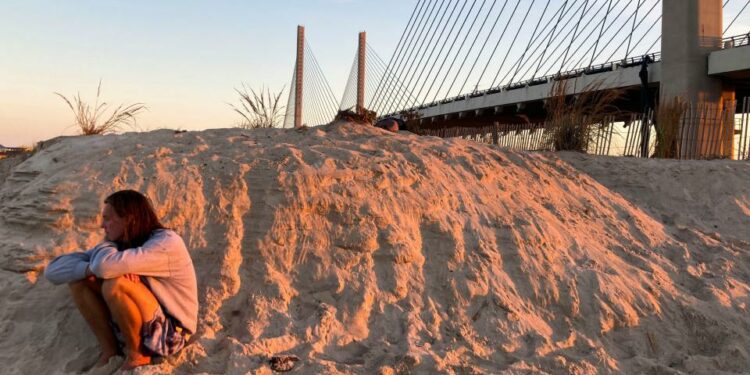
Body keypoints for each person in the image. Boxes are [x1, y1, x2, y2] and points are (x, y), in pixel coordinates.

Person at [44, 190, 198, 371]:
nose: (102, 225)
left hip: (170, 336)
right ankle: (110, 352)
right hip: (134, 325)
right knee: (80, 283)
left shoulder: (166, 243)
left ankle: (138, 354)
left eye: (108, 218)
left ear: (129, 219)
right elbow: (53, 271)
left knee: (114, 284)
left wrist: (109, 264)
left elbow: (104, 267)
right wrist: (92, 267)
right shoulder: (119, 245)